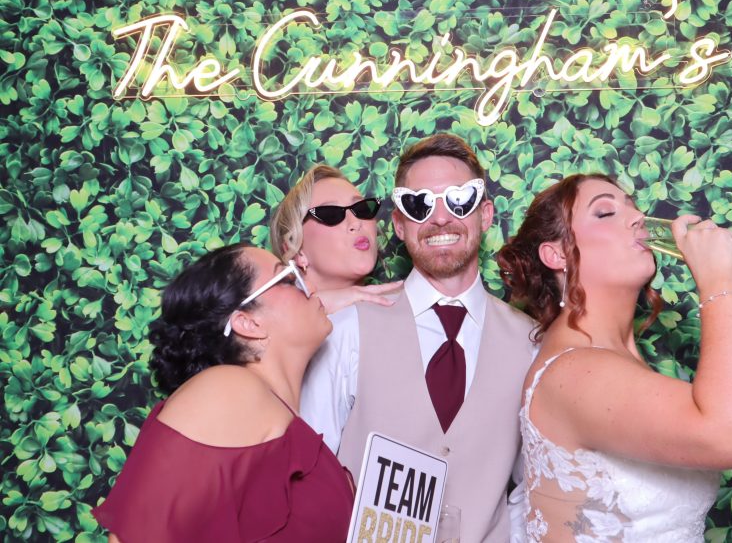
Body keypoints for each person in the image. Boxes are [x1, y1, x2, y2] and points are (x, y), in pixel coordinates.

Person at [497, 174, 732, 542]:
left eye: (632, 204)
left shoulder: (619, 365)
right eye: (606, 212)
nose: (638, 216)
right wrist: (718, 281)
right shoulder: (575, 372)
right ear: (556, 254)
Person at [301, 134, 536, 543]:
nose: (441, 219)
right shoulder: (348, 329)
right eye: (420, 204)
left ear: (485, 215)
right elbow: (307, 473)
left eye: (459, 200)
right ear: (399, 224)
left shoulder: (530, 343)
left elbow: (535, 483)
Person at [92, 244, 354, 542]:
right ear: (248, 323)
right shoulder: (229, 389)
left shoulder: (272, 415)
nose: (305, 282)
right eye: (287, 279)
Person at [269, 163, 401, 314]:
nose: (356, 223)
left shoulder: (405, 310)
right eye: (331, 214)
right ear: (297, 251)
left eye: (361, 208)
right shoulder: (267, 328)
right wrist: (311, 308)